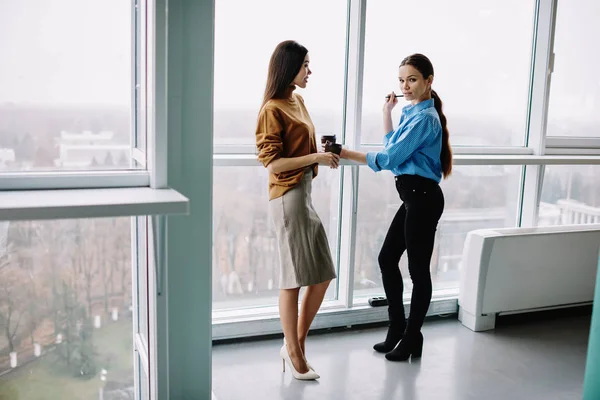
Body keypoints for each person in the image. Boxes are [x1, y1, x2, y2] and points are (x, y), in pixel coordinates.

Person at [336, 53, 452, 361]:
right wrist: (387, 112)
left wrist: (344, 152)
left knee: (417, 271)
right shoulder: (411, 113)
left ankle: (412, 336)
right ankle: (398, 328)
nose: (406, 86)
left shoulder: (426, 119)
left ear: (429, 81)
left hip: (424, 199)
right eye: (401, 80)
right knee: (387, 259)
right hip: (413, 198)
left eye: (412, 79)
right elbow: (392, 146)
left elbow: (389, 159)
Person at [255, 40, 340, 380]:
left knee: (322, 275)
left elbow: (297, 148)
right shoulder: (271, 109)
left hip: (304, 194)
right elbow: (273, 164)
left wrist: (316, 152)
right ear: (289, 67)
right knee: (292, 279)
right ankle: (293, 352)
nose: (310, 71)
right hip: (288, 197)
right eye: (305, 64)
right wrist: (315, 157)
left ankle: (296, 343)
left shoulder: (297, 101)